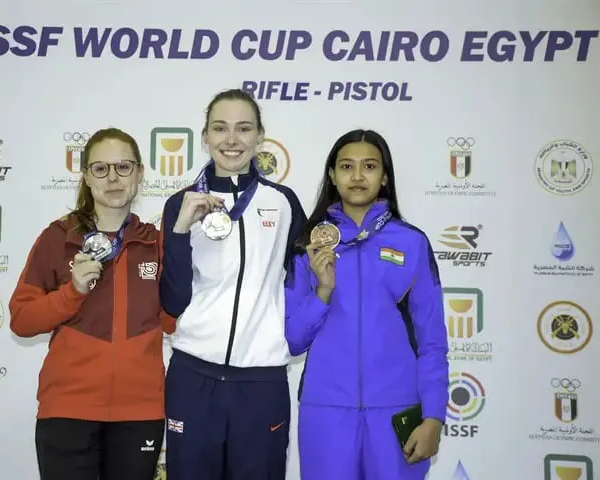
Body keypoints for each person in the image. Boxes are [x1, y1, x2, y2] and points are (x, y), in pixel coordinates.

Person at [9, 127, 175, 480]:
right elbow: (22, 320)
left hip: (139, 411)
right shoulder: (59, 238)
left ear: (140, 173)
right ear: (85, 175)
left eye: (123, 167)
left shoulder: (157, 244)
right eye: (100, 169)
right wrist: (72, 292)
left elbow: (175, 320)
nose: (113, 178)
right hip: (68, 409)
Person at [159, 88, 307, 479]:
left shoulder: (284, 202)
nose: (231, 139)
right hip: (193, 376)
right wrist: (178, 231)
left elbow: (305, 284)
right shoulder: (180, 204)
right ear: (204, 136)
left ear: (260, 136)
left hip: (261, 380)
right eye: (220, 128)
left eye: (244, 128)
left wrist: (288, 337)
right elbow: (173, 301)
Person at [285, 129, 449, 480]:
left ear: (384, 176)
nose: (357, 176)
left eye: (369, 166)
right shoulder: (308, 245)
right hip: (326, 412)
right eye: (346, 166)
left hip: (396, 413)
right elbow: (293, 339)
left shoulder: (413, 243)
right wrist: (323, 291)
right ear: (332, 175)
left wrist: (434, 416)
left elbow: (433, 342)